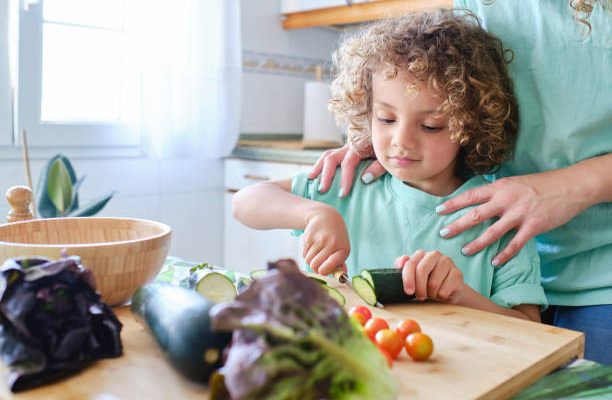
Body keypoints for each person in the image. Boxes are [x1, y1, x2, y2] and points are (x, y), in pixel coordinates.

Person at [309, 1, 612, 363]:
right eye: (386, 118)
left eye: (431, 126)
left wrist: (567, 187)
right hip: (506, 253)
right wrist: (374, 134)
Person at [233, 10, 547, 322]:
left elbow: (531, 327)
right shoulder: (348, 183)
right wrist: (314, 213)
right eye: (386, 119)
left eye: (431, 126)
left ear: (471, 125)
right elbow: (245, 202)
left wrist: (460, 294)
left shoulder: (499, 215)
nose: (402, 141)